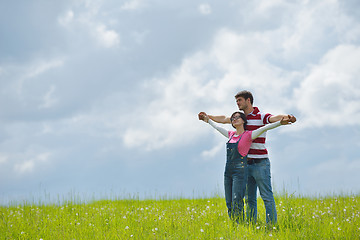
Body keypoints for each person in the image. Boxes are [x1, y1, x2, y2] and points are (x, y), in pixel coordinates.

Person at [207, 90, 296, 225]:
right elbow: (224, 119)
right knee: (249, 199)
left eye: (240, 100)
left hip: (261, 163)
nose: (237, 103)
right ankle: (252, 225)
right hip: (244, 165)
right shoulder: (239, 118)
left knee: (266, 196)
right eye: (236, 101)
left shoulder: (260, 116)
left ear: (248, 100)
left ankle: (271, 226)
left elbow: (273, 119)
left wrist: (287, 117)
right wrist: (208, 117)